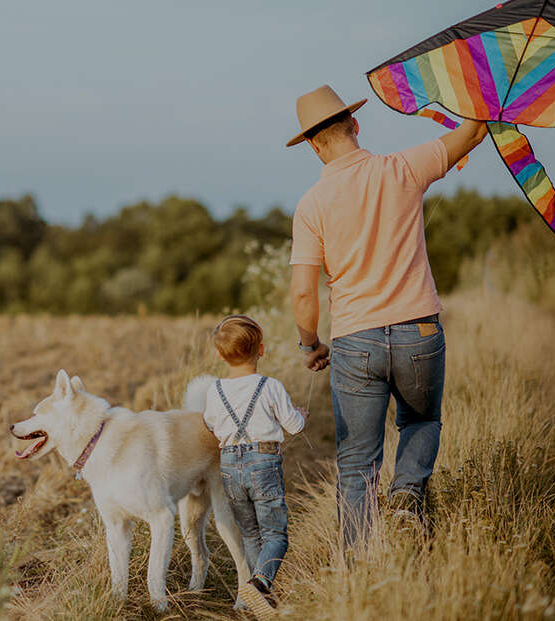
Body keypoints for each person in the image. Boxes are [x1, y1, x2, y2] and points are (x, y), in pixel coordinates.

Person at [285, 85, 487, 546]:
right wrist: (482, 83)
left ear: (313, 145)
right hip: (419, 330)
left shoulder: (311, 205)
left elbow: (302, 292)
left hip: (355, 341)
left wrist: (310, 344)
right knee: (420, 422)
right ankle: (406, 499)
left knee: (357, 460)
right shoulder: (403, 168)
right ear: (355, 125)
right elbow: (473, 133)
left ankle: (359, 563)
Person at [203, 314, 306, 620]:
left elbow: (211, 424)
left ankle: (260, 598)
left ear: (220, 355)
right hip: (263, 463)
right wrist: (301, 414)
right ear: (261, 350)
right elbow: (294, 426)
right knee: (275, 535)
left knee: (250, 534)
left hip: (229, 465)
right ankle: (259, 584)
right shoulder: (270, 386)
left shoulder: (215, 390)